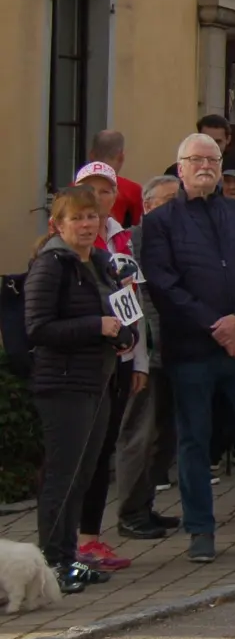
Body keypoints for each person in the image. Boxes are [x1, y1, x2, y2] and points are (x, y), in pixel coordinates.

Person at [141, 132, 235, 564]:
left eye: (212, 159)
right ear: (179, 168)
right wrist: (215, 327)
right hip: (193, 351)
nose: (205, 166)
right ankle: (200, 530)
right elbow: (163, 283)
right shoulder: (160, 224)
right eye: (195, 159)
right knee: (194, 441)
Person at [26, 186, 132, 594]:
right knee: (62, 476)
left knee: (84, 474)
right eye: (77, 219)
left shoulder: (102, 262)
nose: (87, 225)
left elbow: (123, 312)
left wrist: (125, 335)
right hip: (63, 384)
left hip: (98, 380)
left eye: (92, 217)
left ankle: (69, 557)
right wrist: (96, 326)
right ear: (58, 225)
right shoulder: (52, 265)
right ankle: (52, 563)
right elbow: (37, 327)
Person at [69, 163, 149, 571]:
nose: (97, 201)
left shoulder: (120, 238)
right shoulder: (67, 242)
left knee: (103, 452)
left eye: (105, 192)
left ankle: (90, 537)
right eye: (89, 191)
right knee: (80, 453)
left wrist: (139, 358)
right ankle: (66, 541)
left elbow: (132, 303)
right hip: (81, 363)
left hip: (118, 358)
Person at [114, 177, 183, 541]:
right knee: (137, 433)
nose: (175, 206)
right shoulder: (133, 241)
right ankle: (129, 511)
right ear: (148, 205)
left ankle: (145, 505)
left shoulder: (179, 237)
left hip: (177, 348)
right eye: (167, 201)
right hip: (147, 351)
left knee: (164, 434)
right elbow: (137, 299)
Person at [88, 130, 144, 227]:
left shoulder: (74, 187)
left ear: (91, 155)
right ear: (121, 157)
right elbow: (137, 227)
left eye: (104, 192)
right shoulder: (133, 190)